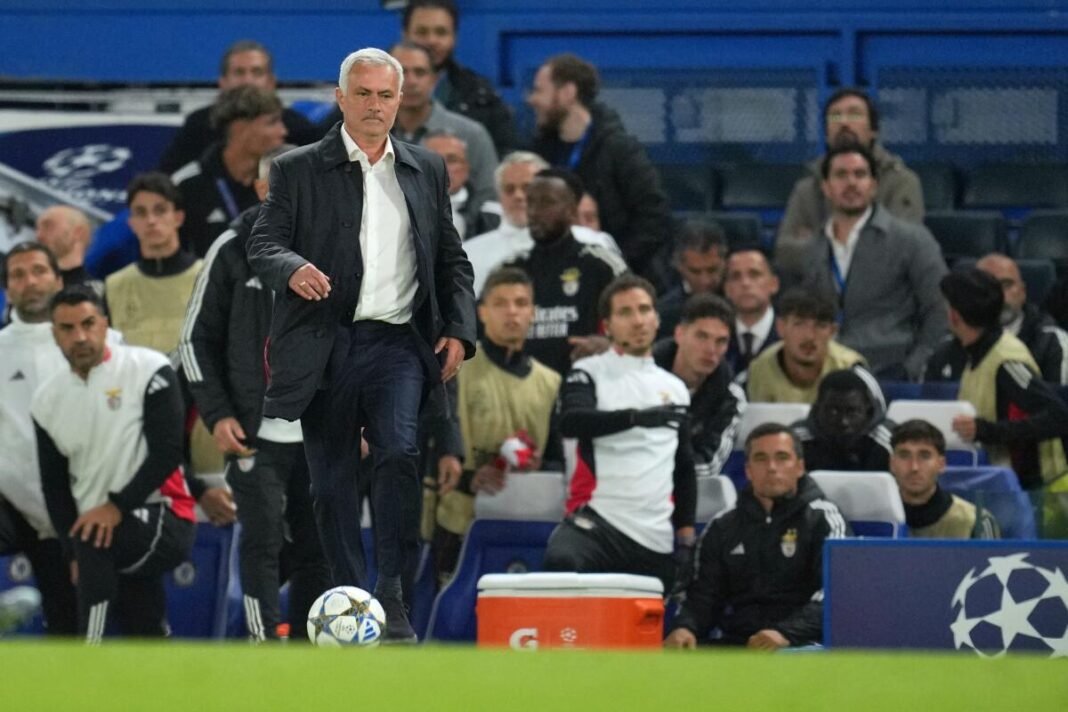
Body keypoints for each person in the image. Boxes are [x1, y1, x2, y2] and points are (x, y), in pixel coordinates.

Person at [246, 48, 476, 643]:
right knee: (330, 485)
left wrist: (459, 328)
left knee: (400, 453)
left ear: (401, 101)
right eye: (364, 94)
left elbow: (452, 260)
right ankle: (352, 595)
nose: (375, 106)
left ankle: (393, 591)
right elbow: (263, 244)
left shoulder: (426, 168)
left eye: (385, 95)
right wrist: (292, 266)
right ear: (341, 99)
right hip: (325, 343)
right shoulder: (297, 168)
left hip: (397, 340)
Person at [178, 144, 329, 642]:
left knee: (317, 544)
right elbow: (193, 339)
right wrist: (218, 415)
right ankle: (264, 644)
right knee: (261, 539)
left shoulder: (340, 245)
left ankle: (310, 647)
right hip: (250, 431)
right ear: (262, 189)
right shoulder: (231, 247)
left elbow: (363, 338)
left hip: (320, 429)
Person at [33, 287, 196, 642]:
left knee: (92, 540)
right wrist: (69, 550)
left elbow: (168, 453)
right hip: (104, 524)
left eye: (89, 324)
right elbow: (55, 486)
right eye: (67, 328)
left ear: (105, 324)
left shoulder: (149, 369)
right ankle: (163, 683)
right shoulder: (46, 400)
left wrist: (115, 507)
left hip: (164, 511)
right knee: (143, 622)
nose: (80, 337)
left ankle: (87, 656)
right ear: (54, 335)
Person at [544, 275, 695, 594]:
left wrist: (685, 534)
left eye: (644, 310)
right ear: (607, 326)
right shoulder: (589, 372)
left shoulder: (676, 389)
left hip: (655, 537)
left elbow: (683, 469)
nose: (637, 320)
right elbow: (572, 421)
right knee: (561, 560)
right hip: (600, 522)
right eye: (625, 313)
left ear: (657, 318)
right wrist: (637, 418)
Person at [426, 267, 561, 584]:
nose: (512, 312)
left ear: (533, 312)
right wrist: (471, 478)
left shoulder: (550, 382)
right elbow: (430, 442)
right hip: (456, 522)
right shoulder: (456, 366)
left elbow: (558, 460)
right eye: (501, 303)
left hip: (526, 523)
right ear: (482, 312)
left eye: (521, 303)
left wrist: (540, 466)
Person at [665, 423, 848, 649]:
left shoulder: (824, 519)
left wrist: (785, 633)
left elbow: (836, 592)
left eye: (782, 457)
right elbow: (702, 595)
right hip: (740, 643)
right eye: (761, 458)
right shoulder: (723, 525)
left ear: (800, 467)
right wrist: (685, 627)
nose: (771, 467)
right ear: (748, 470)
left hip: (800, 643)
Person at [795, 145, 947, 380]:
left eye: (860, 174)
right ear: (825, 187)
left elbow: (939, 309)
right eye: (841, 175)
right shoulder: (812, 248)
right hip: (827, 372)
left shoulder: (911, 239)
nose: (851, 183)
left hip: (892, 369)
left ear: (874, 185)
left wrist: (915, 367)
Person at [0, 243, 84, 635]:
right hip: (16, 510)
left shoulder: (95, 342)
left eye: (38, 270)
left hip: (85, 506)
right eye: (18, 274)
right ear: (7, 288)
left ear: (58, 278)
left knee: (72, 618)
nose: (30, 281)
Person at [527, 53, 671, 277]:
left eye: (539, 90)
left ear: (568, 93)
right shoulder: (538, 151)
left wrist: (614, 263)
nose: (531, 99)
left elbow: (653, 217)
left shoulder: (619, 149)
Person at [941, 269, 1068, 518]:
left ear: (955, 316)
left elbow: (1058, 416)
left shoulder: (1007, 362)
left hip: (1043, 499)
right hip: (1006, 491)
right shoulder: (976, 354)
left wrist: (986, 431)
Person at [776, 87, 924, 273]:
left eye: (854, 115)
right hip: (817, 291)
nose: (844, 123)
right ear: (826, 134)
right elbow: (785, 251)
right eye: (835, 117)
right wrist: (859, 245)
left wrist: (819, 243)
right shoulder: (807, 187)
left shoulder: (901, 182)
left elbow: (901, 250)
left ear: (873, 131)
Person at [505, 168, 626, 375]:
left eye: (546, 202)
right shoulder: (511, 270)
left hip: (584, 385)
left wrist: (610, 343)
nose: (534, 211)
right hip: (521, 389)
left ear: (571, 210)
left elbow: (638, 315)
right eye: (531, 202)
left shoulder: (600, 265)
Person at [465, 152, 621, 297]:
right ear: (499, 196)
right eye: (509, 189)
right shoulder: (469, 254)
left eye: (527, 188)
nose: (519, 196)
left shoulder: (592, 242)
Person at [157, 40, 320, 175]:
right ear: (223, 82)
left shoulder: (296, 128)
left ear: (271, 81)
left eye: (257, 72)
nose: (248, 81)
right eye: (239, 72)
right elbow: (165, 178)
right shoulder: (199, 124)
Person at [173, 85, 288, 257]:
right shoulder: (187, 184)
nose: (283, 131)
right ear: (240, 129)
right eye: (272, 122)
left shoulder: (287, 179)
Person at [927, 253, 1068, 385]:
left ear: (1023, 292)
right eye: (985, 287)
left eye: (1006, 285)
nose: (999, 294)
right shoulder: (947, 346)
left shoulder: (1052, 344)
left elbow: (1057, 408)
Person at [400, 0, 516, 155]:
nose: (431, 41)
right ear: (405, 35)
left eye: (441, 32)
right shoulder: (376, 87)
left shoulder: (481, 94)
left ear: (454, 37)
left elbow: (504, 156)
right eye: (422, 32)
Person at [106, 173, 202, 355]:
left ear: (178, 218)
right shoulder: (114, 286)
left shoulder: (208, 275)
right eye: (141, 212)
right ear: (131, 223)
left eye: (160, 210)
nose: (151, 220)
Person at [653, 294, 745, 477]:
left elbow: (709, 465)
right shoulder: (639, 378)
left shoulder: (730, 398)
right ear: (679, 334)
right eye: (702, 336)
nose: (711, 350)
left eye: (721, 341)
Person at [743, 288, 865, 404]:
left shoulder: (851, 369)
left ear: (832, 331)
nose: (809, 336)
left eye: (820, 325)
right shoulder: (760, 369)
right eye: (799, 324)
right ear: (780, 327)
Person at [890, 419, 999, 539]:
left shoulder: (977, 522)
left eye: (924, 456)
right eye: (904, 456)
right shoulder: (876, 520)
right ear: (892, 464)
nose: (914, 467)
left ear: (941, 464)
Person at [793, 366, 894, 472]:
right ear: (818, 407)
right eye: (833, 411)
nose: (843, 422)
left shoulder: (888, 441)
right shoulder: (796, 440)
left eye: (852, 412)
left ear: (867, 409)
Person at [656, 219, 728, 339]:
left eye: (712, 270)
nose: (705, 280)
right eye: (695, 272)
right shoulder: (663, 314)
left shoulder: (742, 304)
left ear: (724, 262)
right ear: (678, 265)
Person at [723, 248, 780, 375]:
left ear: (774, 284)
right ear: (727, 289)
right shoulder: (717, 337)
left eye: (754, 274)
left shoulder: (788, 336)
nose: (745, 283)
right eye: (736, 276)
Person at [422, 130, 486, 240]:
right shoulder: (399, 208)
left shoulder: (488, 215)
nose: (443, 168)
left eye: (452, 160)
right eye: (433, 160)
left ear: (466, 168)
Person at [34, 205, 103, 296]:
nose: (38, 236)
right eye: (37, 229)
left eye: (48, 226)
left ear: (78, 233)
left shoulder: (98, 293)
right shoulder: (29, 287)